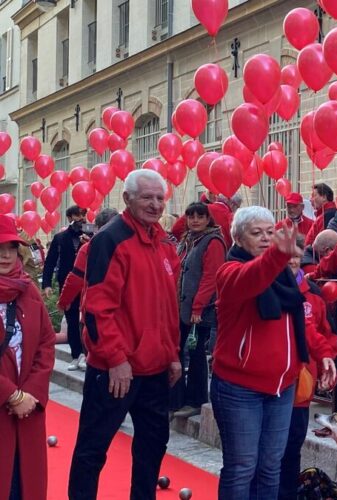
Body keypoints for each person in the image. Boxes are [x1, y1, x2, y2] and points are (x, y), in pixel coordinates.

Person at [68, 170, 182, 500]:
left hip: (155, 369)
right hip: (115, 370)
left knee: (152, 446)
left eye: (160, 198)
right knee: (92, 450)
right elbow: (96, 307)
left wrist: (172, 354)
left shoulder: (162, 243)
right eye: (147, 197)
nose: (156, 204)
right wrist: (116, 358)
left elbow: (167, 309)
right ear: (127, 199)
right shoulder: (111, 239)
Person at [211, 207, 337, 499]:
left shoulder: (283, 276)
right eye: (257, 233)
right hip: (240, 388)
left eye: (270, 232)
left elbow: (303, 322)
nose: (266, 238)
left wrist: (324, 353)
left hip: (283, 387)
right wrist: (279, 254)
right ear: (238, 238)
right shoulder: (230, 272)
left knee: (271, 467)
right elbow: (254, 276)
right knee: (242, 467)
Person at [279, 235, 337, 499]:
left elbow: (324, 334)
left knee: (292, 447)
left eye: (296, 257)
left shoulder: (313, 293)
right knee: (268, 451)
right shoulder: (267, 288)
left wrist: (328, 362)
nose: (292, 262)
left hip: (301, 387)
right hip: (272, 384)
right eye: (286, 256)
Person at [0, 216, 55, 500]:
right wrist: (12, 395)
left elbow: (46, 342)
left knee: (25, 484)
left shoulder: (27, 290)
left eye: (11, 247)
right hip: (5, 405)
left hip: (28, 410)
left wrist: (31, 394)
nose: (6, 255)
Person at [170, 202, 226, 419]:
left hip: (199, 309)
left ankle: (195, 399)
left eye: (200, 216)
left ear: (208, 219)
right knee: (176, 350)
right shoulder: (187, 240)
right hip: (181, 307)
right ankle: (176, 399)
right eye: (190, 216)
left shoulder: (212, 241)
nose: (195, 220)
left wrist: (198, 306)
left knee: (195, 355)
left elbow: (211, 277)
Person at [42, 205, 88, 371]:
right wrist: (46, 284)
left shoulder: (95, 235)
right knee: (71, 319)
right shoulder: (60, 237)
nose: (81, 218)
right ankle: (77, 355)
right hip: (67, 285)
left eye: (83, 215)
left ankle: (88, 354)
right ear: (70, 218)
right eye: (77, 215)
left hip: (89, 285)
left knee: (89, 319)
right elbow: (50, 261)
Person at [57, 209, 120, 313]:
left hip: (97, 309)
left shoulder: (89, 248)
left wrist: (64, 301)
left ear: (98, 228)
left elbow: (76, 278)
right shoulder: (132, 246)